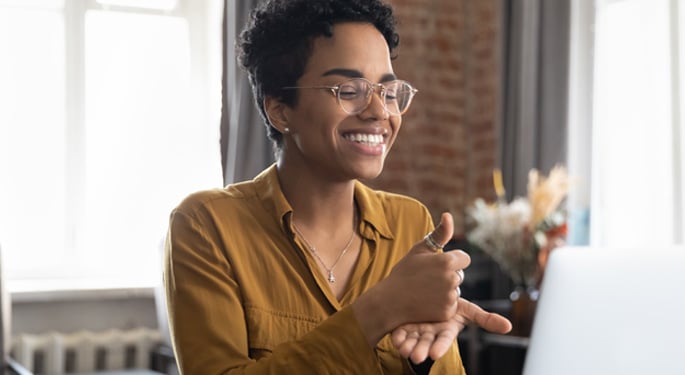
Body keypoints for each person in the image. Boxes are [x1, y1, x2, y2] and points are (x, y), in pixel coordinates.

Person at [163, 0, 512, 373]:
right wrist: (379, 310)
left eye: (389, 91)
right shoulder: (206, 225)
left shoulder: (410, 223)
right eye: (349, 90)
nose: (380, 111)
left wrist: (426, 360)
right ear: (280, 109)